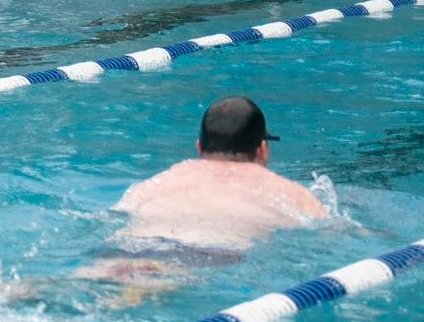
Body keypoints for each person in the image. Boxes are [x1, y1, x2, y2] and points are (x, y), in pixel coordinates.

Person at [109, 95, 326, 253]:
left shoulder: (159, 182)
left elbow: (115, 216)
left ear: (199, 147)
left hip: (130, 247)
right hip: (207, 254)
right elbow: (328, 233)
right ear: (262, 149)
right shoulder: (292, 194)